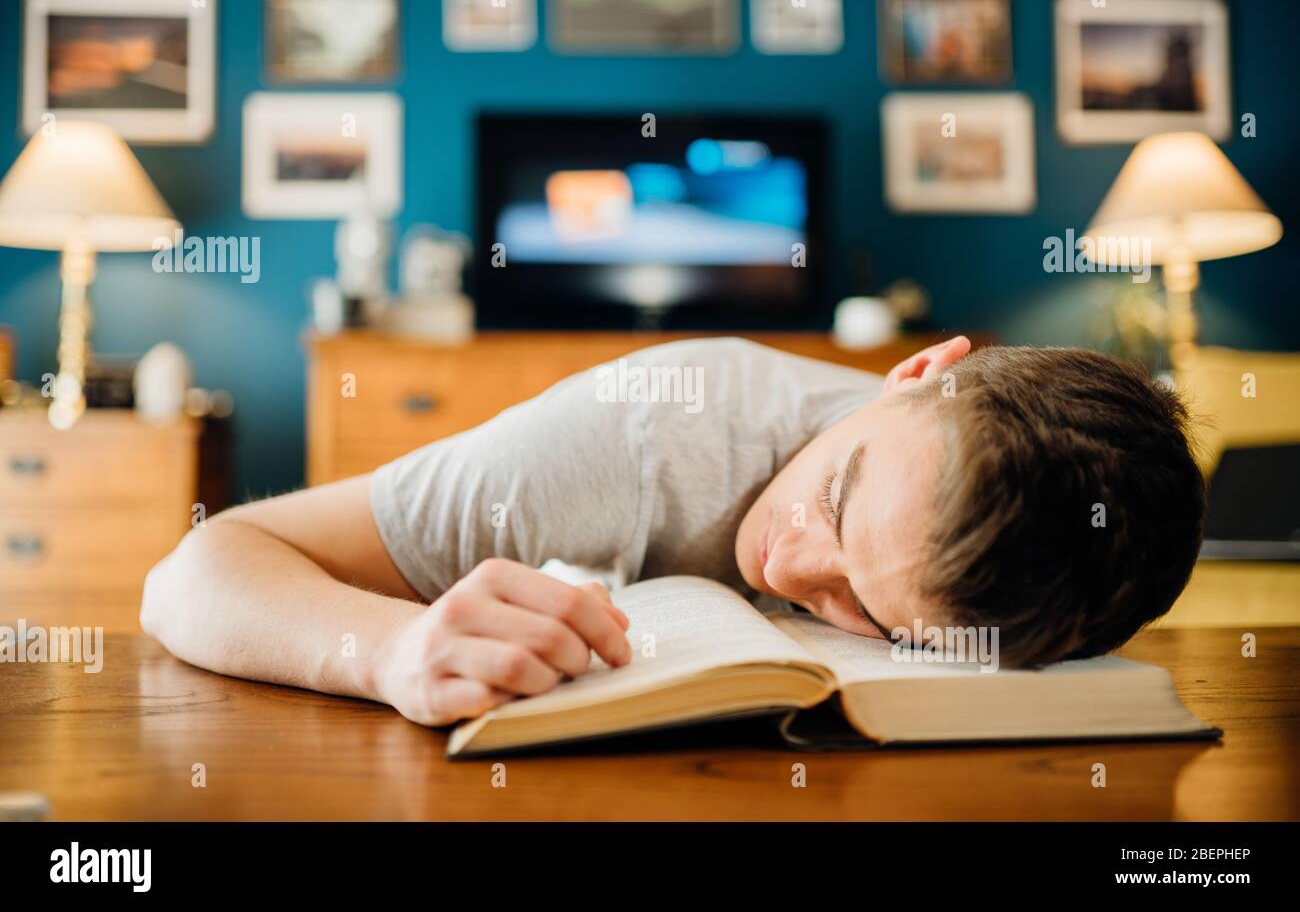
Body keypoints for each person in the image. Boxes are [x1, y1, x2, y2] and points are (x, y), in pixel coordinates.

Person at [141, 335, 1205, 726]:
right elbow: (196, 571)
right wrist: (386, 651)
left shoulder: (1041, 570)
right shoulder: (633, 437)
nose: (786, 564)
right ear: (920, 370)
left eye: (864, 612)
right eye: (834, 503)